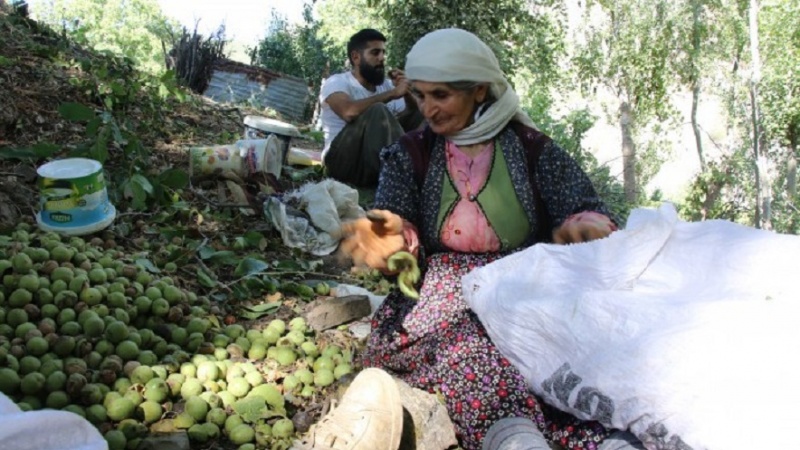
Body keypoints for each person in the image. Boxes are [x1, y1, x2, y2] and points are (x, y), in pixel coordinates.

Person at [294, 28, 642, 450]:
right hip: (446, 289)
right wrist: (391, 242)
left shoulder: (532, 148)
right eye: (420, 96)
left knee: (555, 356)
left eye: (441, 95)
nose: (428, 109)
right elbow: (395, 219)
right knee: (469, 349)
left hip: (523, 281)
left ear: (479, 90)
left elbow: (584, 205)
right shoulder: (410, 152)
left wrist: (587, 227)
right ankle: (514, 437)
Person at [319, 28, 423, 188]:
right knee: (378, 110)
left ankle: (417, 169)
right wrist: (394, 93)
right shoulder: (337, 82)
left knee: (420, 114)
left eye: (383, 53)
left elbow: (410, 114)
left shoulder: (386, 86)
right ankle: (409, 175)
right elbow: (348, 112)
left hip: (373, 162)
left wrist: (407, 90)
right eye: (375, 53)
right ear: (356, 57)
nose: (381, 58)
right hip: (341, 163)